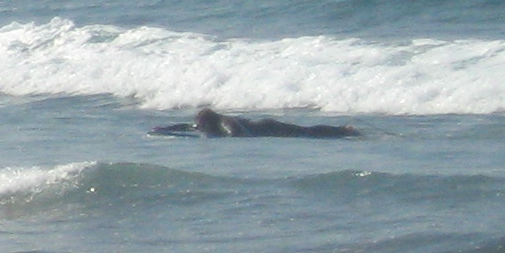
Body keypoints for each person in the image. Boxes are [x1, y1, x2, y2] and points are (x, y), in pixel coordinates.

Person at [151, 104, 361, 140]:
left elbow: (237, 132)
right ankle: (344, 131)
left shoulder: (224, 122)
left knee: (307, 132)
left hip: (268, 127)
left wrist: (235, 138)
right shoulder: (205, 124)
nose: (198, 127)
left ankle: (344, 131)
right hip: (263, 128)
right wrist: (163, 129)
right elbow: (187, 127)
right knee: (306, 132)